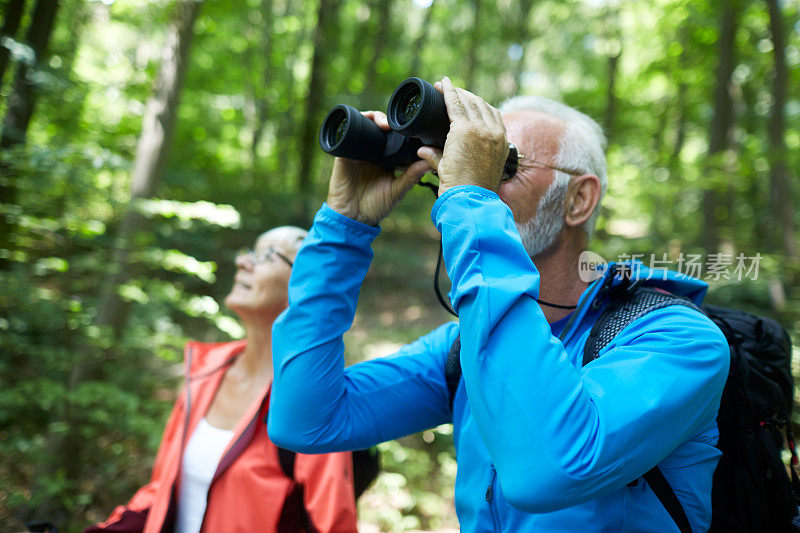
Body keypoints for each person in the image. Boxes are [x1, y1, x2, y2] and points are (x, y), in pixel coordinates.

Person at [268, 77, 730, 532]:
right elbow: (308, 421)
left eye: (502, 164)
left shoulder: (679, 340)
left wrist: (471, 198)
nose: (474, 177)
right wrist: (344, 227)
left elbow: (549, 470)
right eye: (470, 161)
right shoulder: (465, 347)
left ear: (579, 199)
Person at [87, 227, 358, 533]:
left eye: (266, 256)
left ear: (306, 287)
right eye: (249, 251)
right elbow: (161, 491)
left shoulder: (312, 399)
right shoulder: (204, 373)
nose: (243, 262)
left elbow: (331, 523)